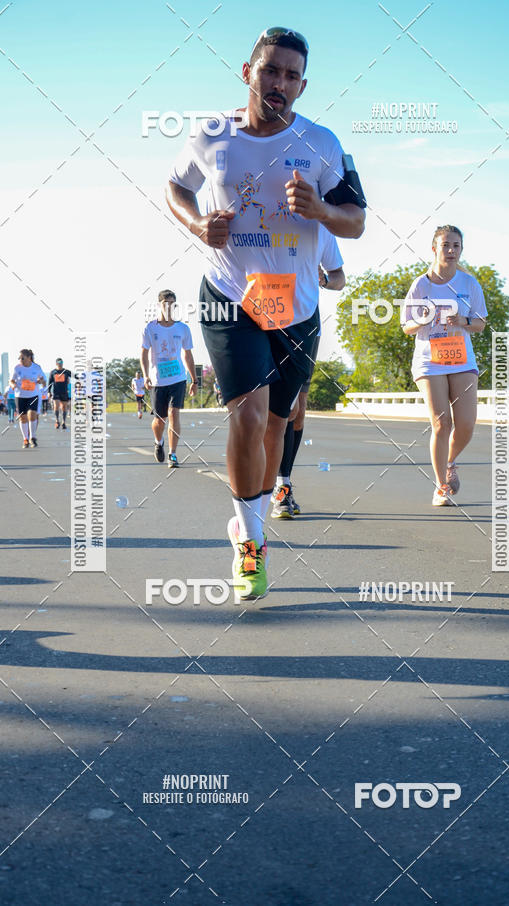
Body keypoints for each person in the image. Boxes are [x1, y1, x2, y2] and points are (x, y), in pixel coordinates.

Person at [166, 26, 366, 600]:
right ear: (247, 72)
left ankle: (248, 515)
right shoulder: (211, 134)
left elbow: (356, 221)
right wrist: (198, 224)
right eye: (270, 70)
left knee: (276, 427)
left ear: (303, 85)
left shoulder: (325, 143)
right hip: (230, 295)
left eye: (291, 75)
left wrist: (323, 208)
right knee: (249, 418)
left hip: (297, 308)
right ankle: (250, 546)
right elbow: (175, 188)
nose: (279, 83)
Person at [402, 225, 487, 506]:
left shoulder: (469, 284)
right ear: (434, 248)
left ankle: (449, 461)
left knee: (466, 424)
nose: (451, 251)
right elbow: (407, 327)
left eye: (456, 246)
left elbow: (481, 323)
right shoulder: (421, 284)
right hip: (430, 360)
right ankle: (440, 487)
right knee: (442, 423)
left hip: (461, 358)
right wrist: (423, 321)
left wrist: (463, 322)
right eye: (446, 245)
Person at [271, 228, 346, 518]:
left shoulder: (319, 224)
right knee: (271, 410)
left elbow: (339, 277)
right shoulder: (260, 215)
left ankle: (283, 485)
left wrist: (324, 279)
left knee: (297, 409)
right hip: (263, 317)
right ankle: (268, 480)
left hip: (305, 322)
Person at [141, 289, 197, 468]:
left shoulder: (182, 328)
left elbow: (187, 355)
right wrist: (145, 375)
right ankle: (159, 442)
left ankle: (172, 454)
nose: (169, 307)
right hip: (158, 380)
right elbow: (144, 353)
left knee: (174, 414)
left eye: (173, 304)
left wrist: (194, 380)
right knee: (160, 420)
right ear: (159, 306)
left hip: (178, 378)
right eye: (166, 304)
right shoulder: (150, 328)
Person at [10, 349, 46, 448]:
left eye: (22, 358)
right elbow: (11, 380)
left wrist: (41, 381)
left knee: (32, 414)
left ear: (29, 358)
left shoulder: (37, 367)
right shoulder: (17, 368)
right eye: (19, 358)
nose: (20, 360)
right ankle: (25, 439)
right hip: (20, 396)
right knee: (23, 417)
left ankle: (32, 438)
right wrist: (13, 385)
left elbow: (44, 380)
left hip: (33, 395)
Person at [48, 358, 71, 429]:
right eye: (58, 362)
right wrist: (49, 392)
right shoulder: (53, 372)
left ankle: (63, 422)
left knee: (64, 407)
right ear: (56, 363)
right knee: (56, 406)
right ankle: (57, 420)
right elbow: (50, 383)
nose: (60, 364)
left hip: (64, 392)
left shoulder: (66, 371)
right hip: (56, 392)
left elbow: (75, 376)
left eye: (61, 362)